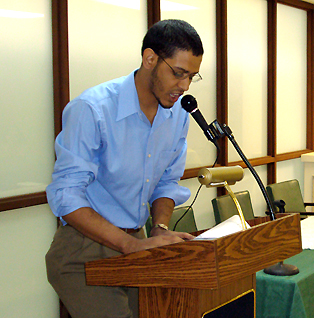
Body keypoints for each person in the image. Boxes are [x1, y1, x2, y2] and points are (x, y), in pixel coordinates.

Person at [45, 19, 203, 318]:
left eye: (192, 77)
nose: (183, 86)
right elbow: (66, 196)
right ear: (150, 59)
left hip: (136, 241)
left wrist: (160, 228)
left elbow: (166, 182)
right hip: (83, 251)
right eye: (178, 73)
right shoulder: (93, 108)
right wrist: (130, 244)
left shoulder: (177, 115)